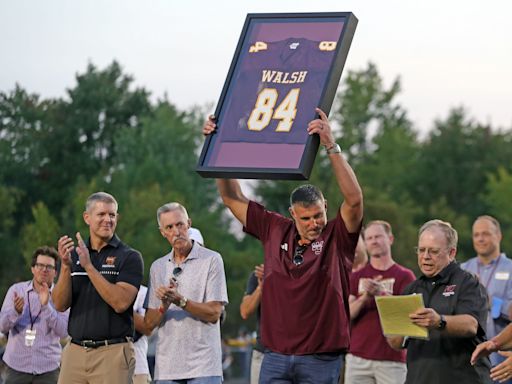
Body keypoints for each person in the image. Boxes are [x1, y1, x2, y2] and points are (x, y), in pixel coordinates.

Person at [204, 107, 364, 384]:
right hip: (275, 356)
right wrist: (218, 144)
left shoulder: (337, 237)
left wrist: (331, 145)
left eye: (318, 215)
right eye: (306, 218)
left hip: (321, 358)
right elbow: (231, 197)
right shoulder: (274, 229)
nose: (314, 223)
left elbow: (354, 201)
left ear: (325, 207)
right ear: (292, 214)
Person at [52, 191, 144, 384]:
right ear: (87, 218)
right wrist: (67, 265)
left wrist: (89, 267)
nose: (107, 220)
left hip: (113, 353)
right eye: (101, 214)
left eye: (112, 214)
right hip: (75, 352)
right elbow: (60, 304)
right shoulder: (74, 255)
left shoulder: (130, 257)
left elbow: (120, 303)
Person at [387, 219, 491, 384]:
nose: (425, 257)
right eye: (421, 250)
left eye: (433, 251)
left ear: (451, 253)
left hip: (462, 378)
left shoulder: (468, 283)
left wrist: (439, 321)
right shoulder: (411, 289)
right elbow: (396, 343)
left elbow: (471, 325)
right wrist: (392, 325)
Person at [144, 203, 228, 383]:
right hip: (167, 369)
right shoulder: (158, 267)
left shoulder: (212, 259)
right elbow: (149, 324)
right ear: (162, 232)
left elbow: (214, 313)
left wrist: (180, 301)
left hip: (204, 367)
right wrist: (163, 306)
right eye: (169, 227)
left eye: (180, 224)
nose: (176, 231)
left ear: (188, 223)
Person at [345, 220, 415, 384]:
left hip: (392, 359)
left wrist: (381, 294)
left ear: (390, 239)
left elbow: (409, 315)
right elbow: (347, 313)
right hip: (358, 358)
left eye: (378, 236)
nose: (374, 241)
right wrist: (365, 297)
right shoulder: (356, 276)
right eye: (369, 238)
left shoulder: (405, 276)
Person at [0, 246, 69, 384]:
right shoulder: (16, 291)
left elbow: (64, 332)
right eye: (40, 265)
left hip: (48, 369)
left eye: (49, 267)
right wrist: (16, 312)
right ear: (32, 268)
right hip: (17, 367)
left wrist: (45, 307)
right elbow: (2, 327)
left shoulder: (62, 295)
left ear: (55, 272)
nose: (44, 270)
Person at [462, 215, 512, 382]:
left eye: (486, 234)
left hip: (501, 363)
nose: (480, 239)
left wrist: (490, 301)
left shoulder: (510, 269)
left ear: (499, 236)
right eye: (476, 235)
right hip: (467, 362)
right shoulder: (463, 269)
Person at [240, 264, 265, 384]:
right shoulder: (259, 275)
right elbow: (245, 311)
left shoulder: (304, 271)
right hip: (264, 351)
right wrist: (261, 287)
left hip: (301, 353)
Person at [133, 285, 151, 384]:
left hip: (137, 367)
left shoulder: (143, 292)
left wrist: (119, 302)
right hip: (103, 366)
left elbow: (147, 328)